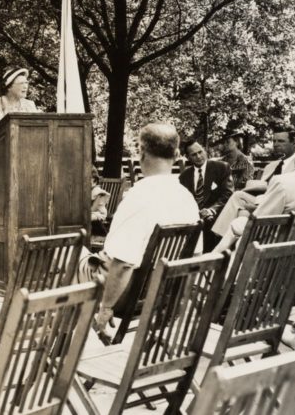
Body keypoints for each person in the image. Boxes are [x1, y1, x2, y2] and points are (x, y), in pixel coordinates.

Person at [76, 123, 201, 341]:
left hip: (128, 295)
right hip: (165, 296)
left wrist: (106, 308)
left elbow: (123, 264)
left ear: (142, 153)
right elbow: (195, 257)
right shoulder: (186, 197)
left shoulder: (138, 196)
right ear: (177, 154)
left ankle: (66, 346)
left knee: (69, 255)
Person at [213, 131, 295, 253]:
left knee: (239, 223)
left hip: (268, 257)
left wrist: (240, 222)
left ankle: (210, 268)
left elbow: (256, 227)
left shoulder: (283, 183)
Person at [179, 140, 233, 252]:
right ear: (188, 157)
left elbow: (228, 193)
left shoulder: (221, 168)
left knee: (209, 224)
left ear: (204, 150)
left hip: (214, 215)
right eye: (194, 154)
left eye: (200, 152)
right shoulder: (184, 176)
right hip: (193, 216)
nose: (199, 156)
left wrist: (211, 210)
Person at [90, 168, 110, 236]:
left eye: (89, 181)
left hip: (99, 213)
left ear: (95, 182)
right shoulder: (90, 191)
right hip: (93, 213)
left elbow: (93, 208)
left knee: (86, 217)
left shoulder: (98, 192)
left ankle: (101, 232)